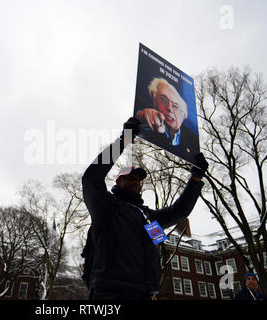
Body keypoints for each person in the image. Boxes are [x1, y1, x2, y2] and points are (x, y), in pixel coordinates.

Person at [81, 117, 208, 300]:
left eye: (139, 181)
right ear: (118, 181)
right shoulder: (106, 205)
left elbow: (179, 212)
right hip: (110, 293)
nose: (137, 183)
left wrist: (196, 179)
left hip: (145, 294)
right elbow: (91, 179)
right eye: (132, 178)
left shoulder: (147, 216)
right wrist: (123, 140)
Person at [135, 77, 199, 164]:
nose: (169, 108)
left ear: (183, 115)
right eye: (163, 100)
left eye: (175, 106)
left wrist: (197, 175)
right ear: (155, 101)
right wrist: (125, 136)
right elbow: (110, 158)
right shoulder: (142, 118)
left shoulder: (193, 142)